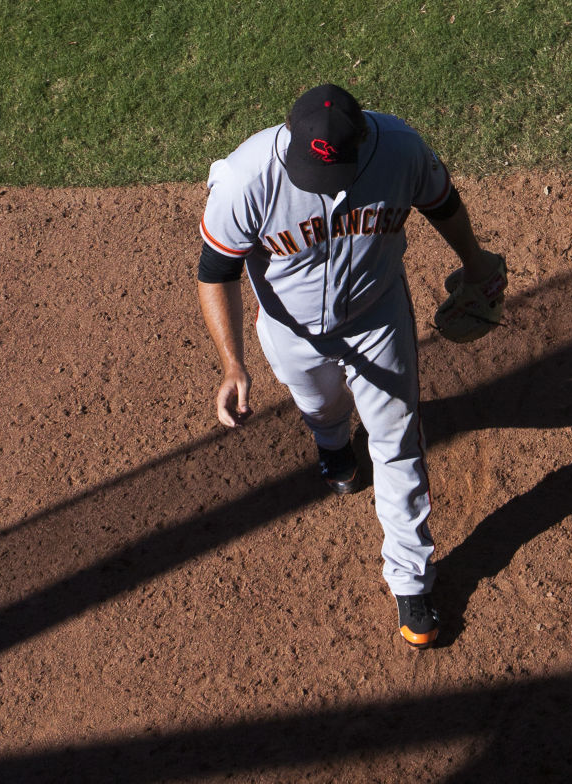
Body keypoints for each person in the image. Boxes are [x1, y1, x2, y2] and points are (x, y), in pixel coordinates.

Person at [196, 84, 506, 648]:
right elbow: (216, 271)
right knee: (321, 406)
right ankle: (334, 444)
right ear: (288, 137)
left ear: (361, 145)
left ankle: (411, 579)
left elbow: (443, 203)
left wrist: (475, 259)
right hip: (291, 332)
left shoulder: (400, 150)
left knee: (397, 441)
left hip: (377, 314)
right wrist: (232, 365)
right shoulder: (246, 178)